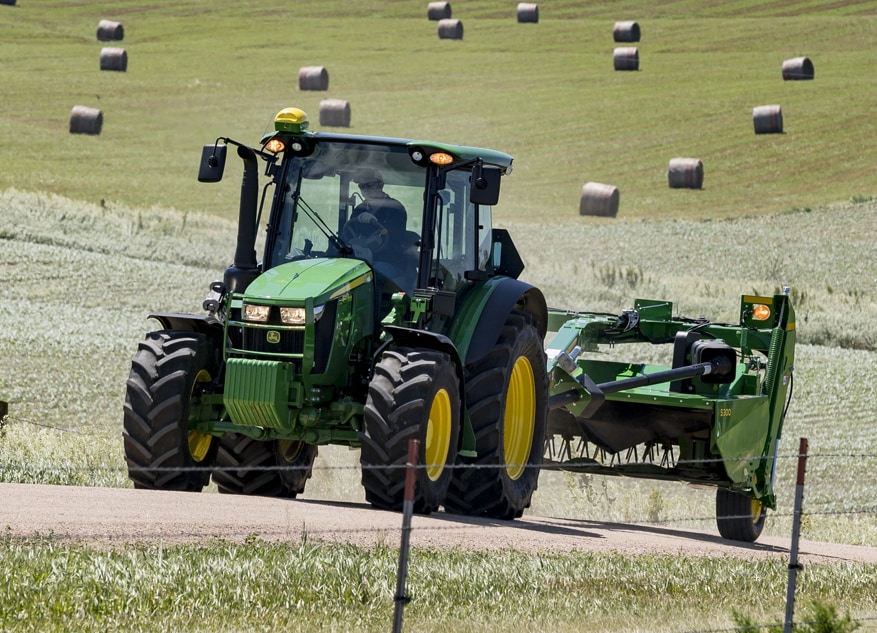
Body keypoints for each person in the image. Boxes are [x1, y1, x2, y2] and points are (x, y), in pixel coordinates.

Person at [351, 168, 407, 244]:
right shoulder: (359, 210)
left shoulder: (395, 208)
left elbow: (396, 236)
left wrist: (377, 222)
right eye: (361, 186)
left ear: (380, 185)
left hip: (389, 254)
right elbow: (349, 232)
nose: (365, 189)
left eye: (369, 185)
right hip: (361, 254)